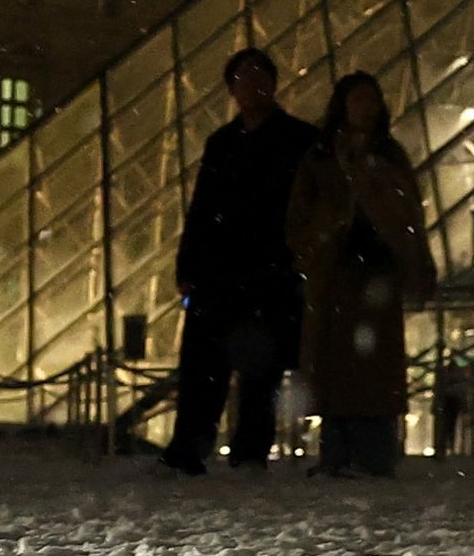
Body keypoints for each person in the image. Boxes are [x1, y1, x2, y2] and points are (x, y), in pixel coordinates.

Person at [166, 48, 323, 474]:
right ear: (232, 90)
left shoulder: (301, 140)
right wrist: (187, 268)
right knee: (204, 367)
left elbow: (312, 210)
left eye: (259, 78)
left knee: (262, 368)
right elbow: (200, 211)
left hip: (270, 271)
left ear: (273, 84)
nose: (252, 87)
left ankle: (250, 451)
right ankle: (190, 449)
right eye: (243, 79)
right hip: (220, 271)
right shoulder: (221, 143)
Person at [288, 72, 438, 477]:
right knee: (338, 366)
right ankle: (339, 452)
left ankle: (373, 454)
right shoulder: (321, 157)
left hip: (377, 270)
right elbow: (301, 216)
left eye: (371, 100)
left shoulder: (389, 155)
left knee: (373, 368)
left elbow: (408, 212)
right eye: (358, 100)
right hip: (337, 270)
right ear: (343, 105)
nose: (366, 108)